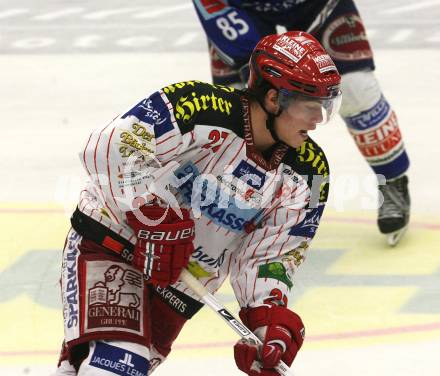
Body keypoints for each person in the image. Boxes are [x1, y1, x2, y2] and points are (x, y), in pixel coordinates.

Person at [54, 31, 341, 375]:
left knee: (95, 367)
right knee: (119, 363)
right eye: (311, 106)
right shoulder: (198, 106)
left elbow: (270, 255)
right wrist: (154, 216)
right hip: (114, 243)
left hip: (180, 286)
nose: (318, 119)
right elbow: (109, 147)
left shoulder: (309, 171)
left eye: (325, 106)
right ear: (273, 98)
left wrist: (268, 324)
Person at [192, 0, 410, 246]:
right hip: (240, 8)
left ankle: (393, 180)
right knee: (245, 102)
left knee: (355, 89)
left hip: (317, 4)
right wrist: (249, 61)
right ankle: (246, 195)